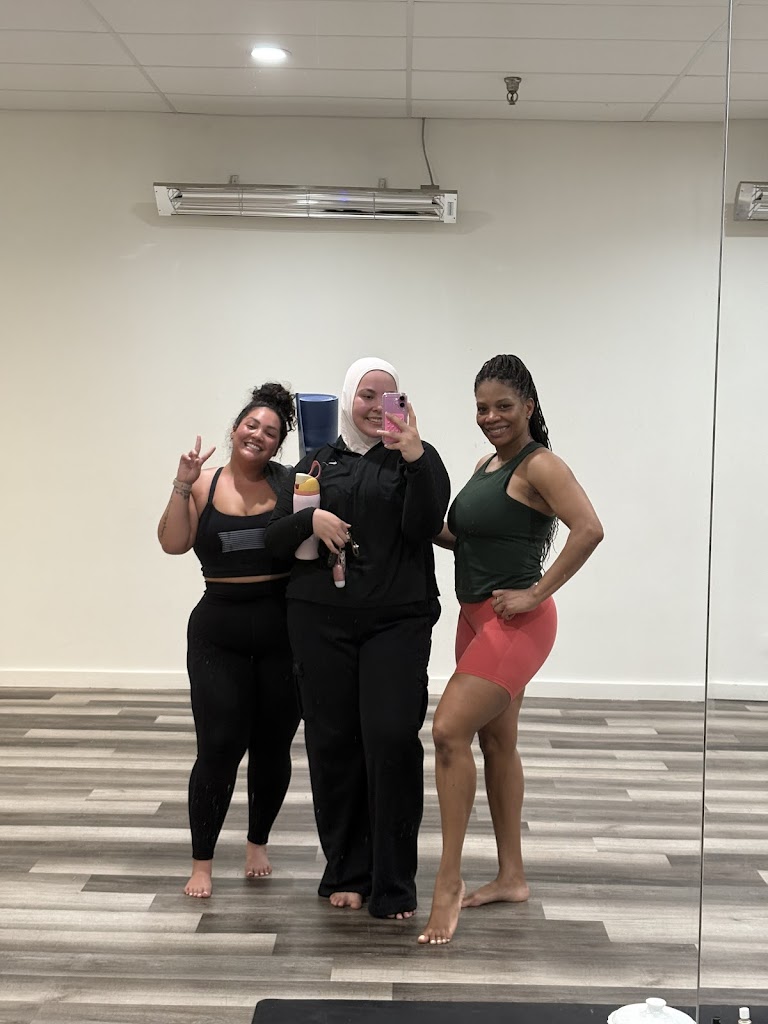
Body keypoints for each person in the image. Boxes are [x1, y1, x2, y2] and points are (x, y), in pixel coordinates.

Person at [418, 354, 604, 944]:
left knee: (448, 732)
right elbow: (466, 537)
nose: (491, 416)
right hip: (474, 619)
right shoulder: (487, 465)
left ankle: (448, 882)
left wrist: (536, 593)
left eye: (503, 405)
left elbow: (590, 528)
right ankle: (512, 877)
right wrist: (413, 516)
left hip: (516, 624)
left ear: (528, 405)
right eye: (482, 407)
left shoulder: (541, 464)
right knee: (497, 743)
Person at [264, 357, 450, 920]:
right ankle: (347, 870)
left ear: (402, 405)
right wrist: (310, 522)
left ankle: (393, 880)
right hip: (320, 621)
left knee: (391, 738)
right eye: (366, 395)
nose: (375, 407)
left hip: (397, 621)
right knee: (333, 743)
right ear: (348, 400)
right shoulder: (317, 462)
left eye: (388, 397)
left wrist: (414, 453)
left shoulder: (416, 459)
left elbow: (426, 522)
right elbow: (277, 538)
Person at [157, 383, 301, 899]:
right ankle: (202, 862)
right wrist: (182, 483)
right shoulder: (203, 484)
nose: (258, 435)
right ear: (236, 428)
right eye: (251, 425)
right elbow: (173, 543)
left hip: (282, 631)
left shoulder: (291, 485)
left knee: (272, 746)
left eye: (271, 432)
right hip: (218, 632)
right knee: (217, 748)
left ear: (278, 444)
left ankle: (257, 842)